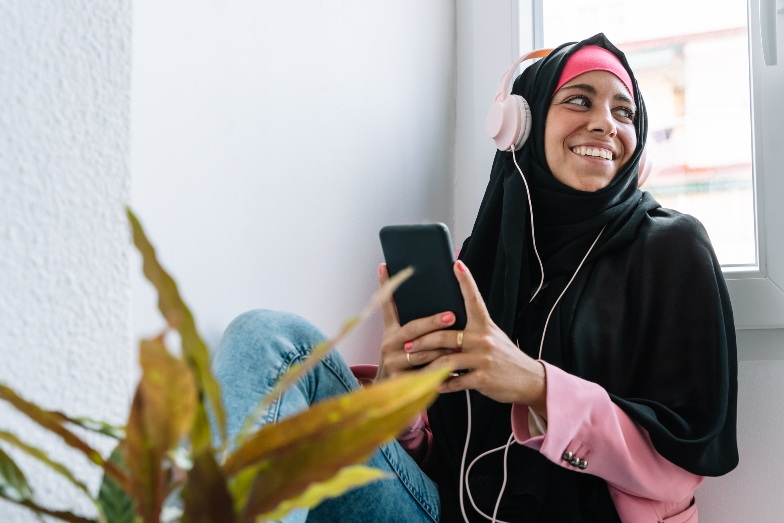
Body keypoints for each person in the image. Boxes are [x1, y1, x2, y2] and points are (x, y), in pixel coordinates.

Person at [213, 33, 738, 522]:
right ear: (522, 127)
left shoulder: (671, 247)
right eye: (579, 100)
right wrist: (401, 403)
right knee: (269, 338)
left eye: (624, 112)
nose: (605, 122)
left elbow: (676, 470)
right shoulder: (480, 260)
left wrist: (534, 384)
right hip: (439, 512)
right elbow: (445, 455)